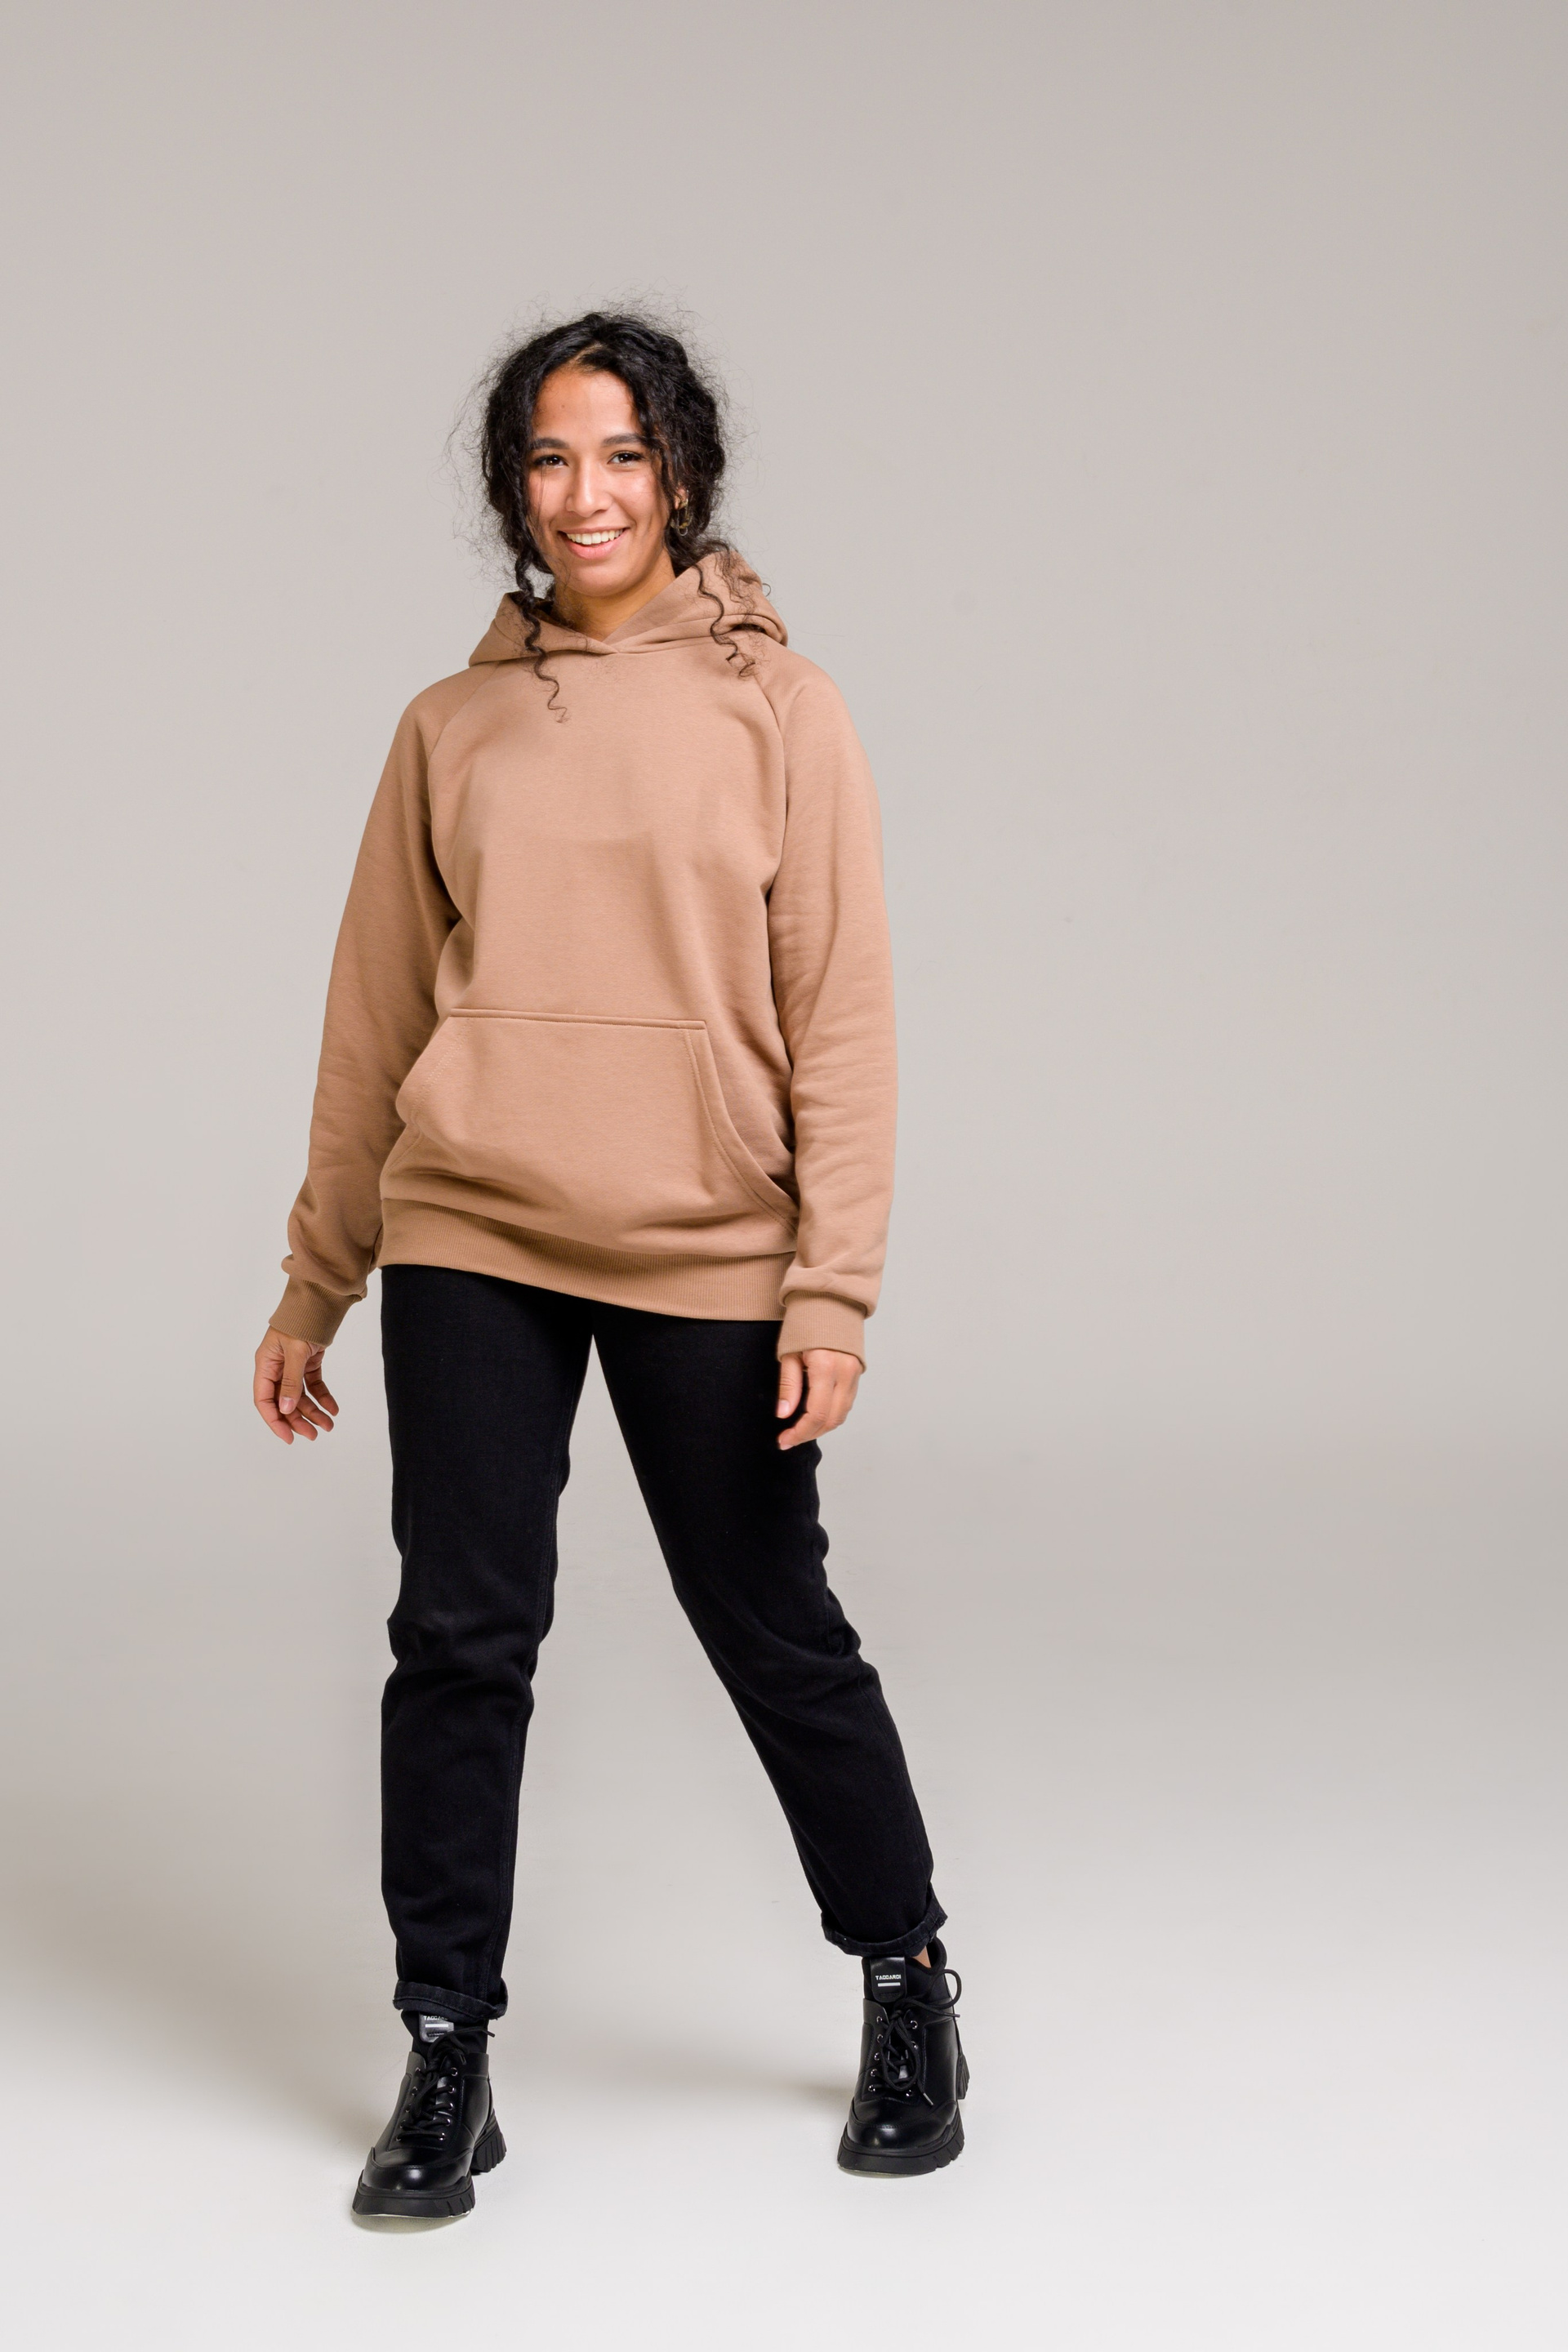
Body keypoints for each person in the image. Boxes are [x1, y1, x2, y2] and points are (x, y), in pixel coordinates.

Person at [252, 311, 967, 2216]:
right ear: (514, 486)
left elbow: (844, 1018)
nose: (588, 494)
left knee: (771, 1624)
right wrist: (321, 1275)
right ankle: (445, 2049)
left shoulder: (782, 709)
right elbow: (374, 1019)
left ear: (683, 476)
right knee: (458, 1640)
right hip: (471, 1226)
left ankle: (906, 1976)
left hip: (710, 1238)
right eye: (553, 458)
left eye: (624, 455)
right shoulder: (451, 727)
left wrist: (833, 1286)